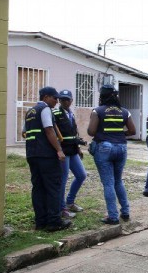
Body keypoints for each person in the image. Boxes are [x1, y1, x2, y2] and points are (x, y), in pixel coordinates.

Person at [87, 85, 136, 225]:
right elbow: (132, 131)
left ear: (102, 96)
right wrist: (120, 134)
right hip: (121, 147)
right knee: (118, 181)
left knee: (108, 183)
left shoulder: (98, 111)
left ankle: (113, 216)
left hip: (104, 148)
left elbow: (91, 131)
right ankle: (125, 212)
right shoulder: (124, 111)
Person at [24, 86, 71, 232]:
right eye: (54, 98)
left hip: (32, 155)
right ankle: (54, 222)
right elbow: (49, 129)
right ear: (45, 97)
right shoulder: (45, 109)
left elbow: (24, 133)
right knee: (53, 187)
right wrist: (58, 150)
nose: (57, 101)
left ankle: (41, 222)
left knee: (38, 188)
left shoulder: (30, 111)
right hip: (46, 156)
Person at [53, 90, 87, 219]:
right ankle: (61, 209)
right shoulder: (56, 113)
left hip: (72, 150)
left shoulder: (71, 114)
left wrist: (78, 147)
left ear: (71, 100)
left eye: (67, 99)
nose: (64, 101)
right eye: (62, 99)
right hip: (63, 151)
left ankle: (70, 202)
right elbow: (53, 132)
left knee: (81, 175)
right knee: (63, 178)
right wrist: (58, 150)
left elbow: (74, 133)